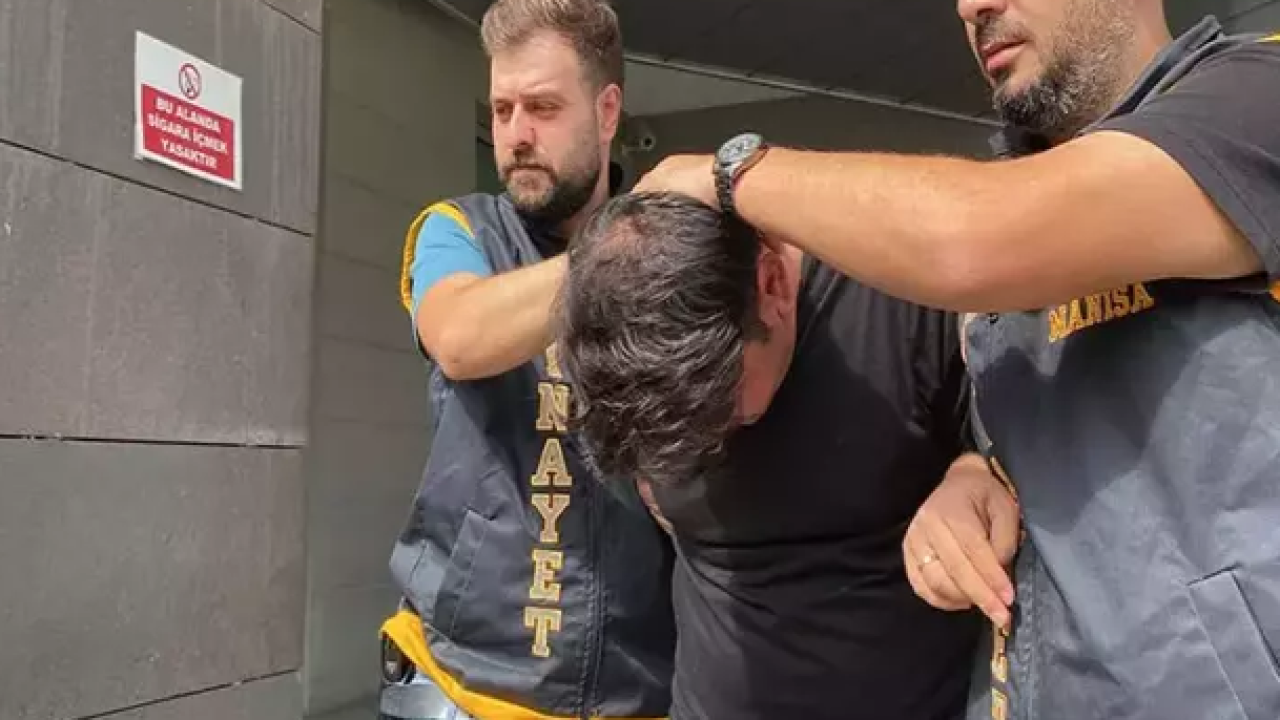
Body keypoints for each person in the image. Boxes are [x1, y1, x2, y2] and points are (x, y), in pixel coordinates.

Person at [633, 1, 1280, 718]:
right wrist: (971, 476)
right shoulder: (1012, 184)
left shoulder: (1257, 93)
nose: (972, 7)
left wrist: (729, 172)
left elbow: (978, 239)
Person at [556, 191, 989, 720]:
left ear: (773, 286)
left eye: (718, 405)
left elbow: (1009, 443)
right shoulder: (629, 375)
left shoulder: (892, 296)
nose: (704, 443)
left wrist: (971, 475)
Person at [378, 1, 675, 718]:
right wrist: (620, 256)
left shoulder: (674, 254)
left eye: (542, 107)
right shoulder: (458, 229)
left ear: (607, 113)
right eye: (503, 109)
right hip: (461, 684)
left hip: (638, 689)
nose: (516, 134)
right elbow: (460, 337)